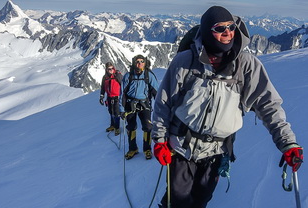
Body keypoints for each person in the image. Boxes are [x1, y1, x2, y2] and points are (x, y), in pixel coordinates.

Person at [151, 6, 303, 208]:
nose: (227, 33)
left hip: (216, 152)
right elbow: (163, 103)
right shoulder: (185, 61)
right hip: (180, 148)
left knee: (200, 200)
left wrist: (288, 144)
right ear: (206, 31)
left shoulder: (247, 66)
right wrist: (160, 139)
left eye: (231, 27)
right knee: (177, 200)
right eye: (219, 28)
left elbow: (269, 106)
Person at [120, 55, 159, 160]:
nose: (140, 63)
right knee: (131, 127)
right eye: (137, 61)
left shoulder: (148, 75)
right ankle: (133, 149)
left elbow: (156, 92)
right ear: (134, 63)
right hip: (130, 104)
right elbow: (122, 93)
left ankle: (147, 149)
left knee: (148, 127)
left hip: (144, 104)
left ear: (145, 63)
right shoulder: (128, 76)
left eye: (142, 61)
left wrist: (161, 107)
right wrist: (121, 110)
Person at [100, 62, 123, 136]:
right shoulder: (105, 77)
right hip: (109, 97)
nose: (111, 70)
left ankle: (117, 127)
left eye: (112, 68)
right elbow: (103, 88)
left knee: (116, 112)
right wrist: (102, 96)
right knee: (111, 111)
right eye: (109, 69)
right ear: (106, 69)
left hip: (117, 97)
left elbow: (123, 84)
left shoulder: (117, 75)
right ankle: (112, 125)